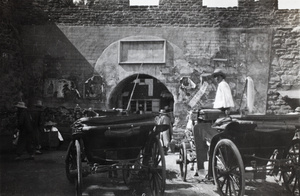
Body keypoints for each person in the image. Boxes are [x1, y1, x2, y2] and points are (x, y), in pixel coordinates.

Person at [193, 69, 235, 180]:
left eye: (217, 77)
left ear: (220, 76)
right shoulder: (222, 85)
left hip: (222, 110)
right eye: (215, 77)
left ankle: (204, 162)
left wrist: (226, 108)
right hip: (221, 108)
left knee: (203, 126)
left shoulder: (222, 85)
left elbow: (226, 98)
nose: (216, 79)